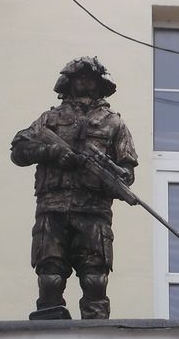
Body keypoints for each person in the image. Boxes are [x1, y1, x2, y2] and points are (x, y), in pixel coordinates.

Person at [10, 56, 137, 320]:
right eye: (79, 78)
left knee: (95, 280)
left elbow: (127, 173)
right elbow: (19, 150)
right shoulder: (49, 119)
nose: (85, 83)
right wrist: (52, 152)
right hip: (52, 209)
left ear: (100, 84)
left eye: (90, 79)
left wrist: (111, 177)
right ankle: (47, 332)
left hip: (93, 213)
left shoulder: (114, 123)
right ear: (68, 83)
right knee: (50, 278)